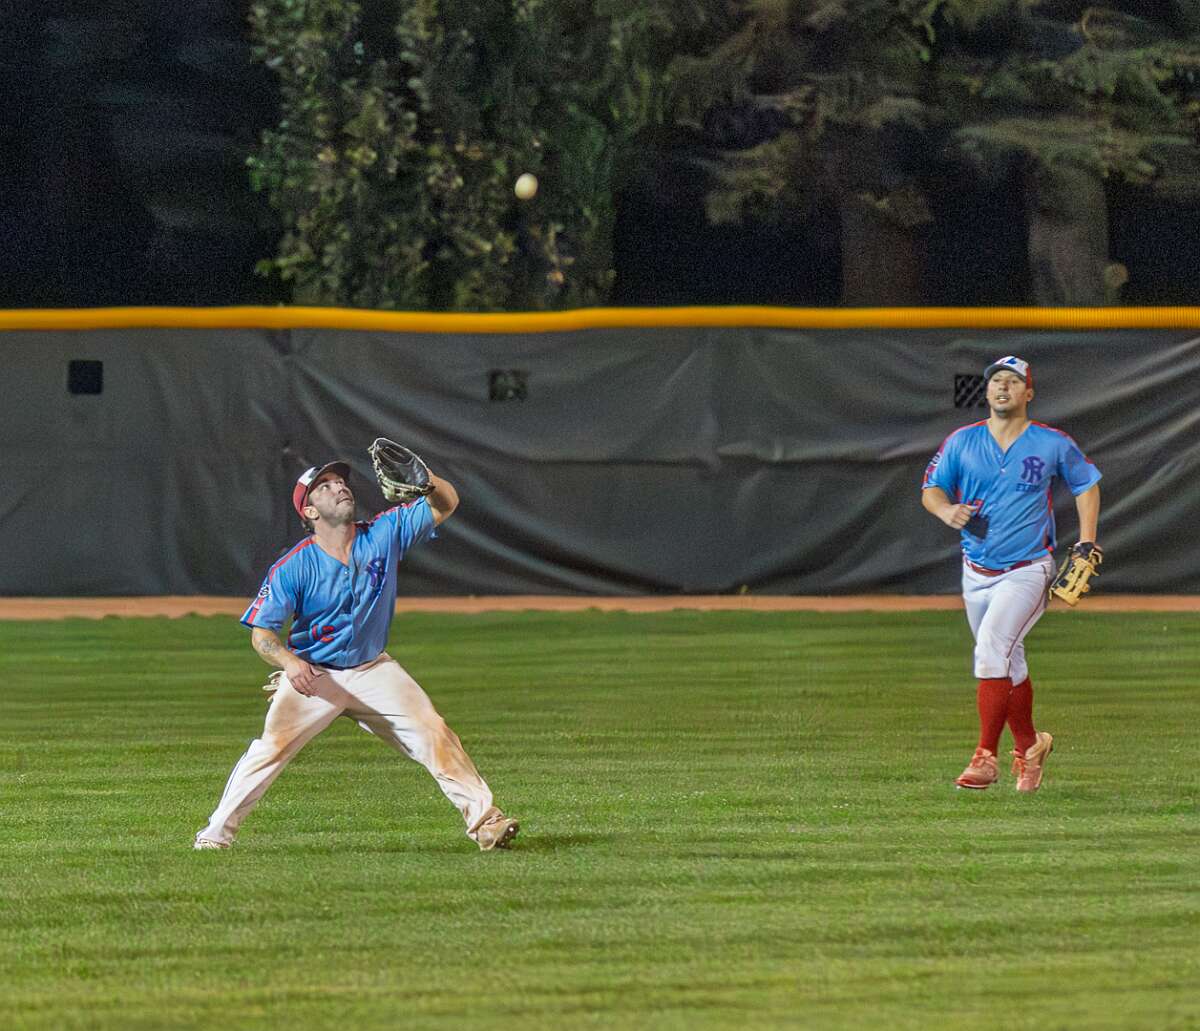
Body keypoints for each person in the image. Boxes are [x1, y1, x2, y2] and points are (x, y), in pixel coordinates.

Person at [194, 459, 519, 850]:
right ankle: (214, 836)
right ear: (310, 512)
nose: (339, 487)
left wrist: (428, 481)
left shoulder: (382, 533)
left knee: (433, 731)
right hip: (315, 676)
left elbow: (445, 503)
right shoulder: (293, 566)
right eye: (325, 486)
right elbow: (262, 633)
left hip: (373, 669)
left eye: (340, 481)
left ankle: (486, 822)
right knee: (270, 751)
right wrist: (289, 663)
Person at [921, 356, 1102, 792]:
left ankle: (985, 757)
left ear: (1029, 393)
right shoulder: (962, 441)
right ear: (986, 392)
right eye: (996, 381)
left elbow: (1086, 485)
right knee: (1009, 662)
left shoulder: (1051, 442)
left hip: (1028, 568)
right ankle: (1030, 745)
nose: (1003, 387)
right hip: (975, 570)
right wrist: (945, 511)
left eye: (1013, 381)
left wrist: (1086, 542)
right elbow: (931, 488)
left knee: (990, 650)